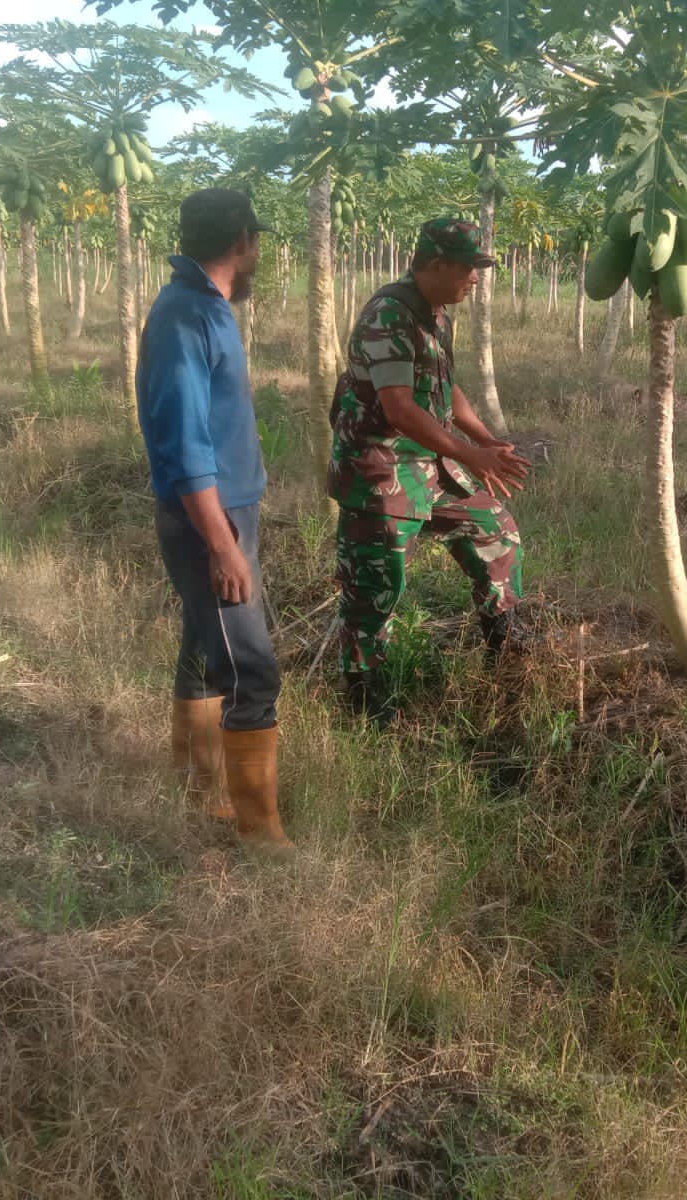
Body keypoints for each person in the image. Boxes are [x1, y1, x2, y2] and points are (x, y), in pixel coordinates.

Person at [328, 217, 533, 726]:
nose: (476, 278)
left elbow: (445, 386)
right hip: (380, 469)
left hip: (431, 465)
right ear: (436, 264)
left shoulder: (436, 313)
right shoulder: (389, 315)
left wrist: (483, 438)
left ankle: (503, 655)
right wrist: (470, 454)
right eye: (469, 267)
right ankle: (364, 699)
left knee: (497, 533)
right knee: (377, 587)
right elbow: (398, 409)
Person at [137, 188, 290, 851]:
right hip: (209, 521)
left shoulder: (207, 307)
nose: (259, 254)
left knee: (205, 649)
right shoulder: (185, 318)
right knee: (250, 668)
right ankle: (260, 833)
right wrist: (223, 545)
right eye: (257, 243)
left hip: (228, 511)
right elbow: (184, 446)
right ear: (242, 243)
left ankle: (202, 795)